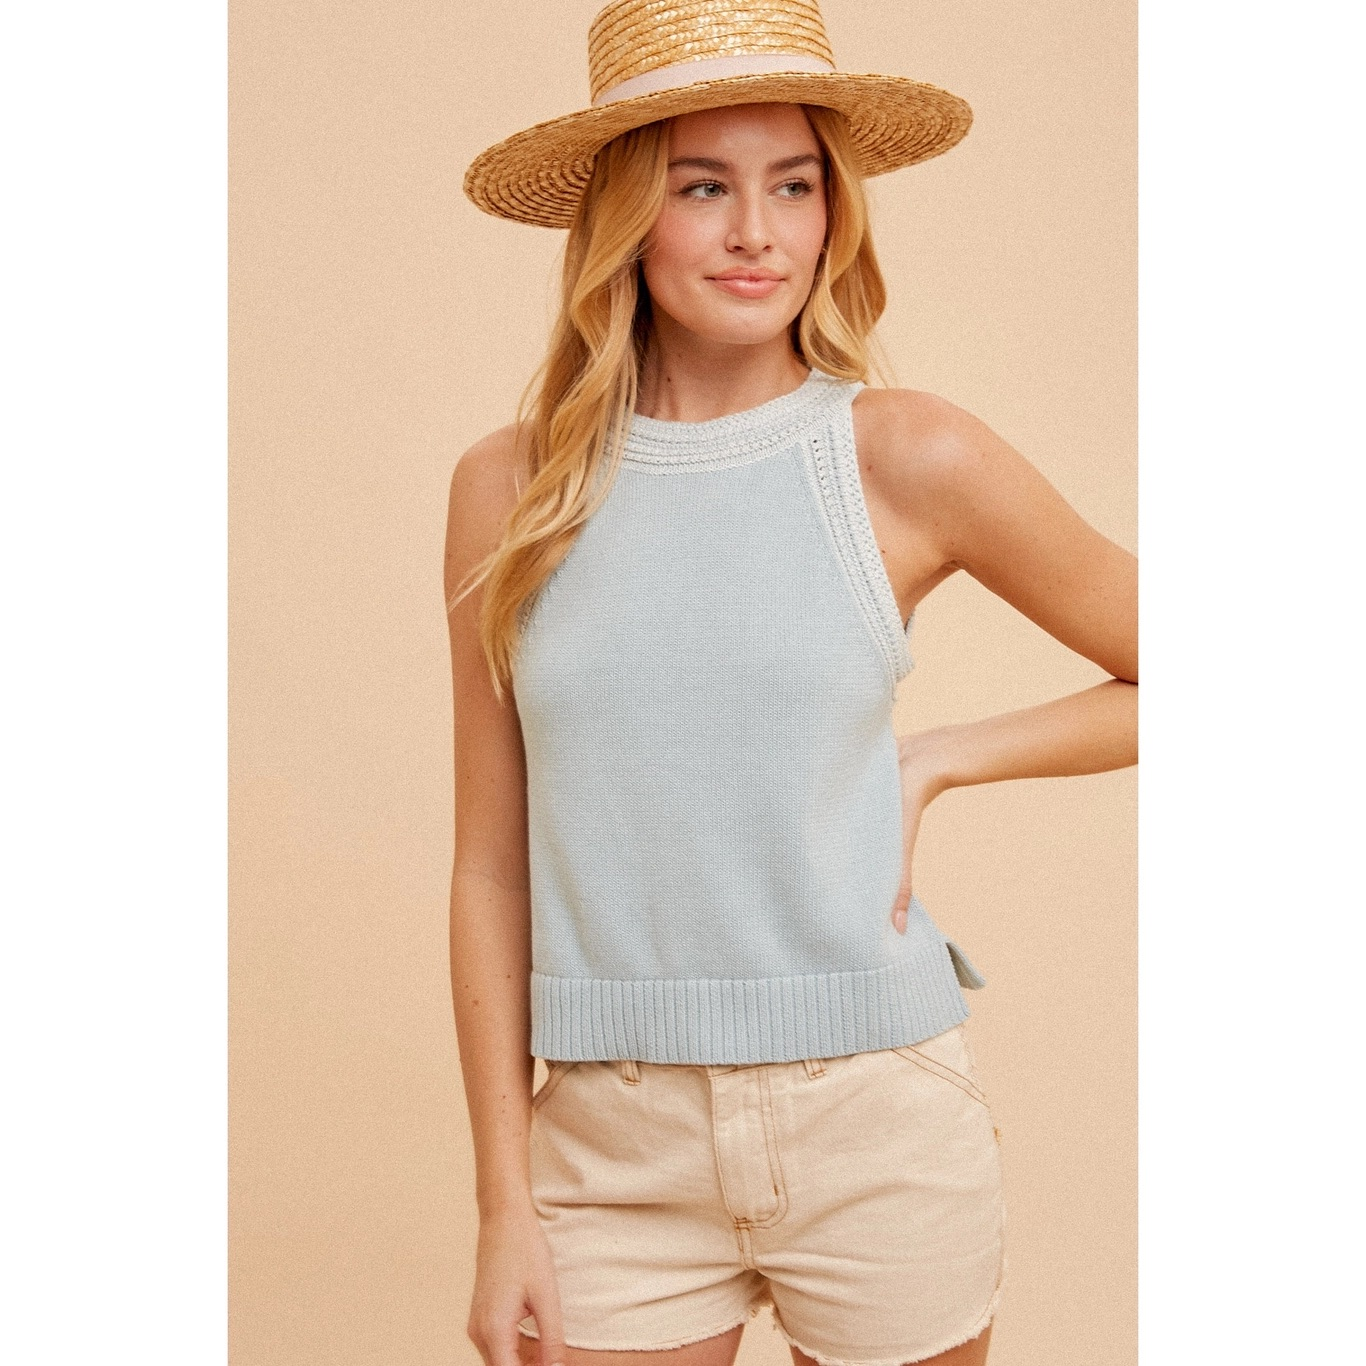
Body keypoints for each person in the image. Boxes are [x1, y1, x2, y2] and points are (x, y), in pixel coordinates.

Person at [444, 4, 1137, 1366]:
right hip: (608, 1142)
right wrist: (503, 1200)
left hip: (876, 1123)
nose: (756, 233)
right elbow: (488, 865)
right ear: (624, 217)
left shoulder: (905, 454)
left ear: (834, 213)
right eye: (702, 186)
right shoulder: (506, 488)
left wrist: (942, 755)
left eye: (795, 185)